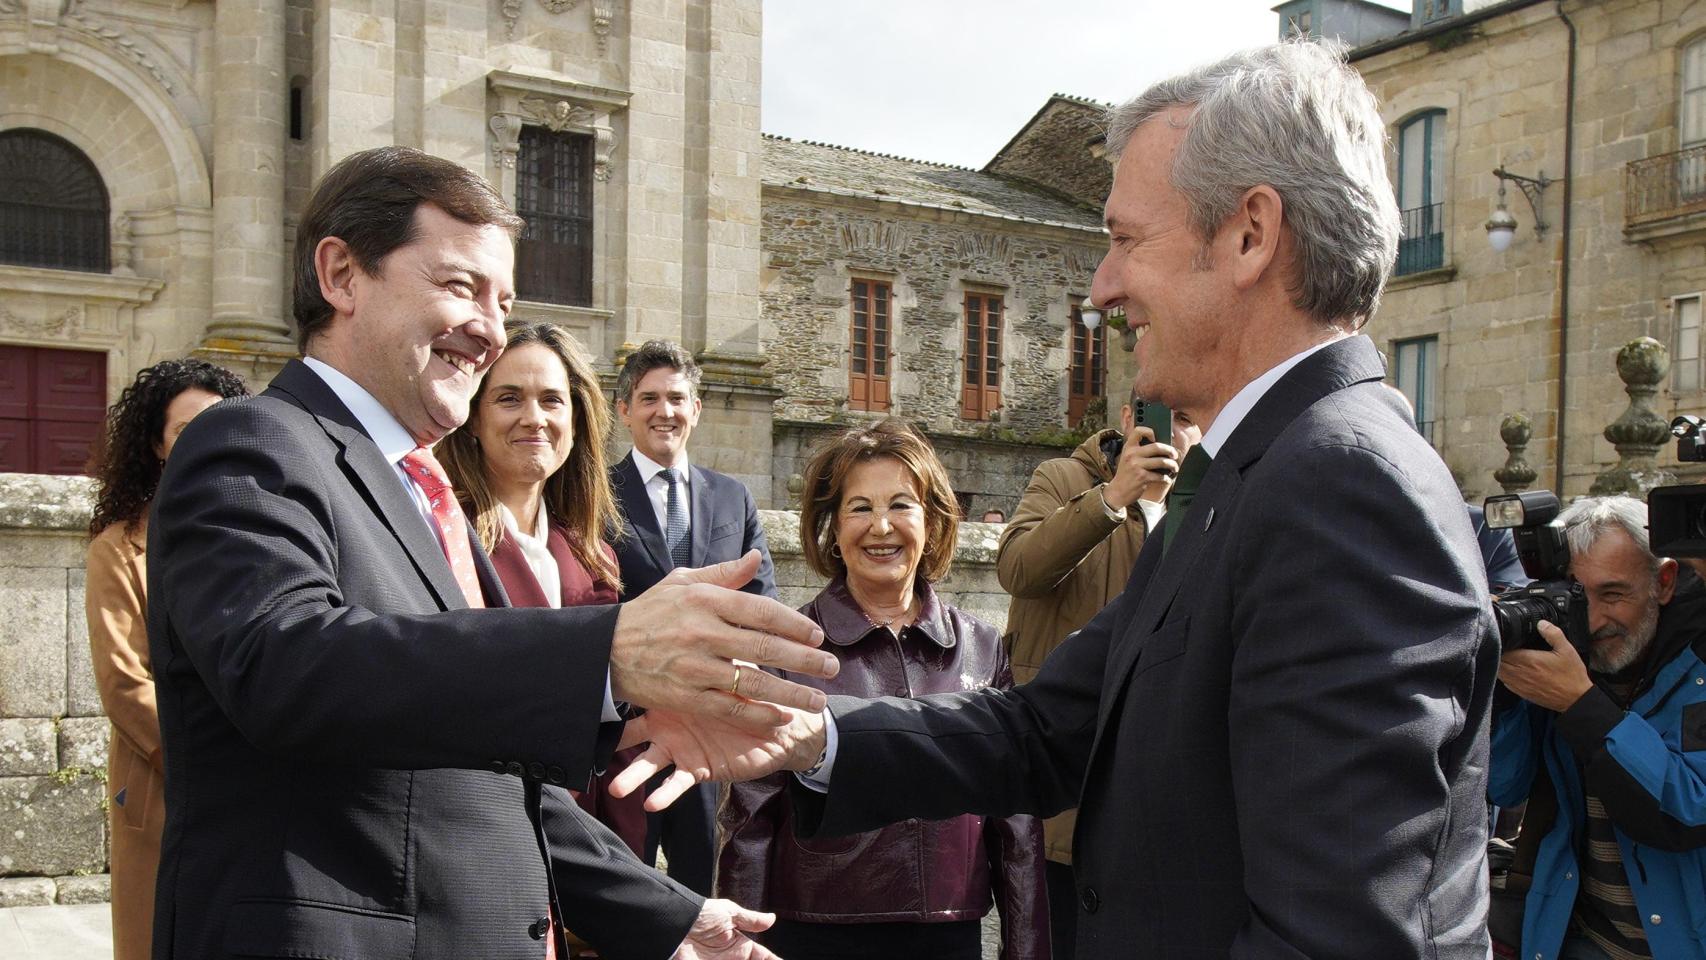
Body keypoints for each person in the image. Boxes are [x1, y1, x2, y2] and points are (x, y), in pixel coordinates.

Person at [617, 41, 1499, 959]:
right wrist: (800, 732)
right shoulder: (1257, 475)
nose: (1102, 287)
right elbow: (1045, 729)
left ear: (1249, 235)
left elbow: (1336, 933)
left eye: (1124, 240)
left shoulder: (1342, 490)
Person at [146, 146, 838, 960]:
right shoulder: (254, 442)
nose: (489, 330)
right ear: (340, 275)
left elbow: (494, 780)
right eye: (459, 287)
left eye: (502, 300)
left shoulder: (418, 488)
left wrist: (669, 914)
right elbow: (287, 667)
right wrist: (604, 655)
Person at [716, 419, 1048, 960]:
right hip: (814, 931)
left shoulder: (983, 649)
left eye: (901, 505)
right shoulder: (787, 649)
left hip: (948, 933)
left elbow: (1018, 826)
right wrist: (739, 944)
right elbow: (749, 821)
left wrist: (1027, 949)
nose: (881, 527)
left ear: (933, 521)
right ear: (832, 526)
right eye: (860, 508)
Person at [995, 385, 1198, 958]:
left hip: (1158, 777)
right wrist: (1111, 499)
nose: (1175, 431)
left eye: (1189, 419)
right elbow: (1018, 568)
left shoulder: (1206, 503)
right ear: (1131, 418)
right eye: (1166, 416)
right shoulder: (1065, 478)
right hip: (1066, 777)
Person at [438, 320, 648, 860]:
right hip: (488, 841)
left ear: (575, 422)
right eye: (510, 398)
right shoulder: (444, 539)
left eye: (552, 401)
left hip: (592, 843)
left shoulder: (591, 552)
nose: (534, 418)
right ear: (474, 419)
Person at [1489, 495, 1706, 960]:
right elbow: (1505, 786)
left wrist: (1581, 704)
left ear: (1663, 583)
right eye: (1574, 595)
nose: (1591, 620)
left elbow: (1686, 811)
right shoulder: (1567, 660)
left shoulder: (1699, 666)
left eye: (1612, 595)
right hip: (1580, 936)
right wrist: (1507, 692)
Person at [85, 358, 248, 960]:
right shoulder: (119, 549)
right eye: (186, 429)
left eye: (219, 423)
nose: (205, 440)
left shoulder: (256, 537)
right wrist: (214, 761)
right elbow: (124, 683)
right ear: (157, 444)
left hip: (259, 780)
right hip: (168, 780)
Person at [608, 339, 778, 895]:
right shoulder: (593, 494)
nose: (666, 412)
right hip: (627, 729)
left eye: (678, 398)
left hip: (708, 724)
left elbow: (762, 601)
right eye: (650, 398)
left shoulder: (733, 497)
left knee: (699, 883)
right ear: (624, 409)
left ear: (697, 409)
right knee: (623, 884)